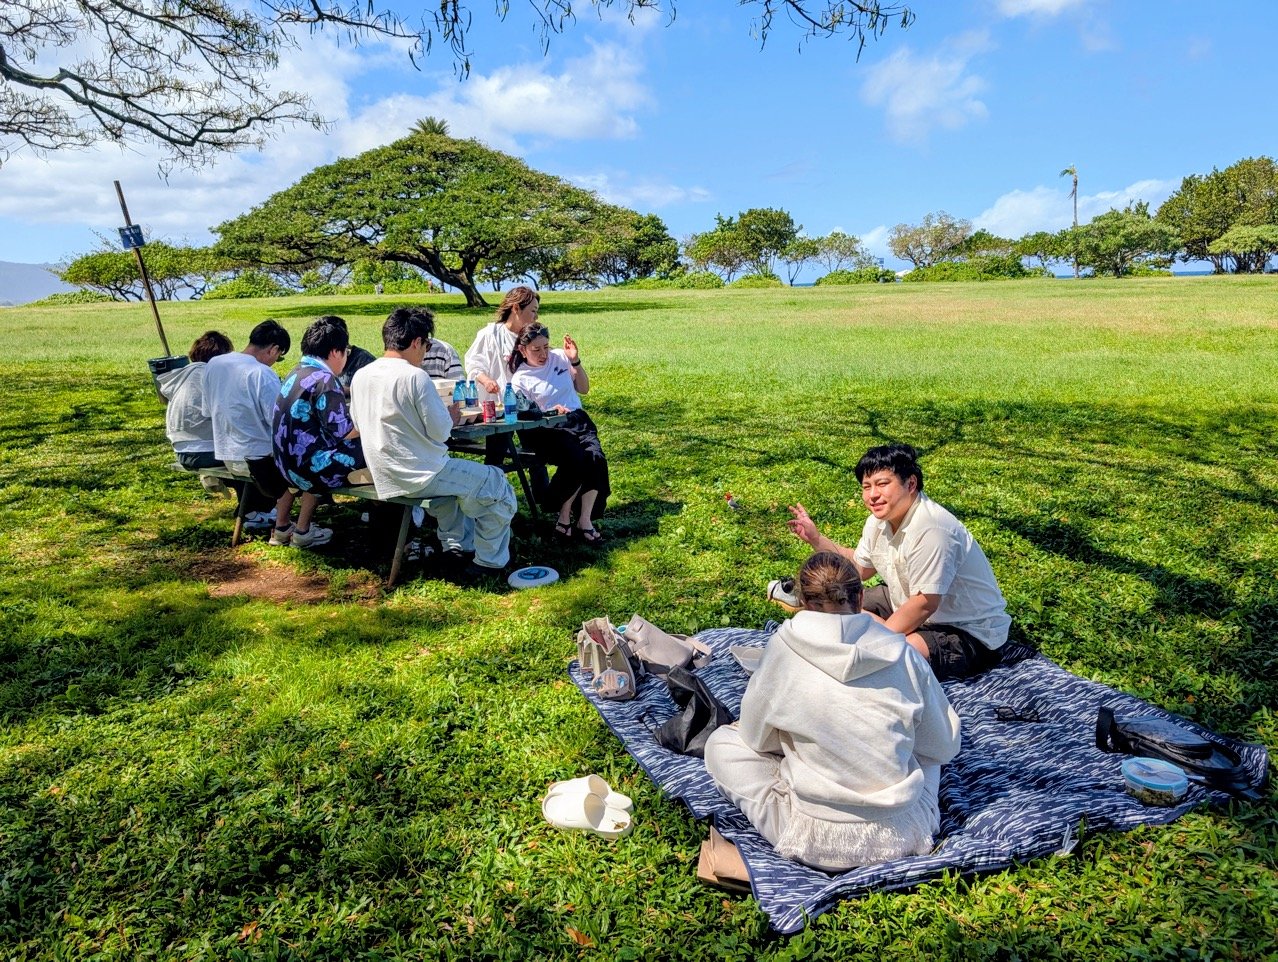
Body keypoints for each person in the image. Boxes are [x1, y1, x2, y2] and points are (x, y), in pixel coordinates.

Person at [704, 552, 961, 872]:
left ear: (804, 602)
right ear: (862, 597)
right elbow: (944, 745)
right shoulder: (903, 654)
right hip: (904, 835)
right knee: (927, 750)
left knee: (721, 745)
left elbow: (756, 739)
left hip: (816, 840)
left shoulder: (784, 649)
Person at [787, 443, 1011, 681]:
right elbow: (858, 570)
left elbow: (925, 603)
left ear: (911, 484)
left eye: (883, 484)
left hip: (966, 631)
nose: (873, 495)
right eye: (866, 487)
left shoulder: (932, 529)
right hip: (903, 599)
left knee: (899, 658)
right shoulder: (877, 523)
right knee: (832, 602)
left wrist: (876, 642)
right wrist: (816, 539)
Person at [350, 306, 517, 580]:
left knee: (451, 495)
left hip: (383, 474)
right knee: (496, 482)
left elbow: (359, 423)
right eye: (426, 345)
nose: (426, 352)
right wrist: (450, 415)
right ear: (416, 342)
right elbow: (441, 433)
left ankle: (457, 548)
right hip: (420, 474)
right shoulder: (415, 376)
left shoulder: (362, 375)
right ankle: (489, 562)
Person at [271, 316, 367, 548]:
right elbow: (344, 432)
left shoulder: (296, 372)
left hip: (285, 465)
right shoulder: (326, 380)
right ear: (335, 352)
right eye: (345, 352)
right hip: (311, 470)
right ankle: (388, 523)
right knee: (381, 448)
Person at [508, 323, 609, 543]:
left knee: (596, 458)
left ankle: (584, 520)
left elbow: (583, 388)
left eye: (545, 346)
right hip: (549, 427)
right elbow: (528, 413)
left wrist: (575, 360)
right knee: (578, 460)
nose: (543, 353)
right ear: (522, 350)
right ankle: (563, 516)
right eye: (536, 350)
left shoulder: (560, 357)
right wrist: (552, 411)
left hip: (578, 419)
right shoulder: (520, 378)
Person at [202, 319, 299, 539]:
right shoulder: (262, 373)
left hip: (227, 455)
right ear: (274, 349)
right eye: (279, 356)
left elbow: (207, 410)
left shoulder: (215, 364)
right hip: (260, 461)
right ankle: (292, 526)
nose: (276, 361)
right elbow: (278, 421)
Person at [157, 330, 233, 471]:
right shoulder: (210, 375)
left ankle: (212, 478)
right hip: (208, 452)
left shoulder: (182, 376)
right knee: (256, 456)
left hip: (181, 452)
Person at [463, 286, 539, 404]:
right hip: (497, 405)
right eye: (533, 311)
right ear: (516, 308)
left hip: (528, 406)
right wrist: (486, 381)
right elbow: (474, 365)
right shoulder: (490, 334)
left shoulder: (534, 338)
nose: (536, 317)